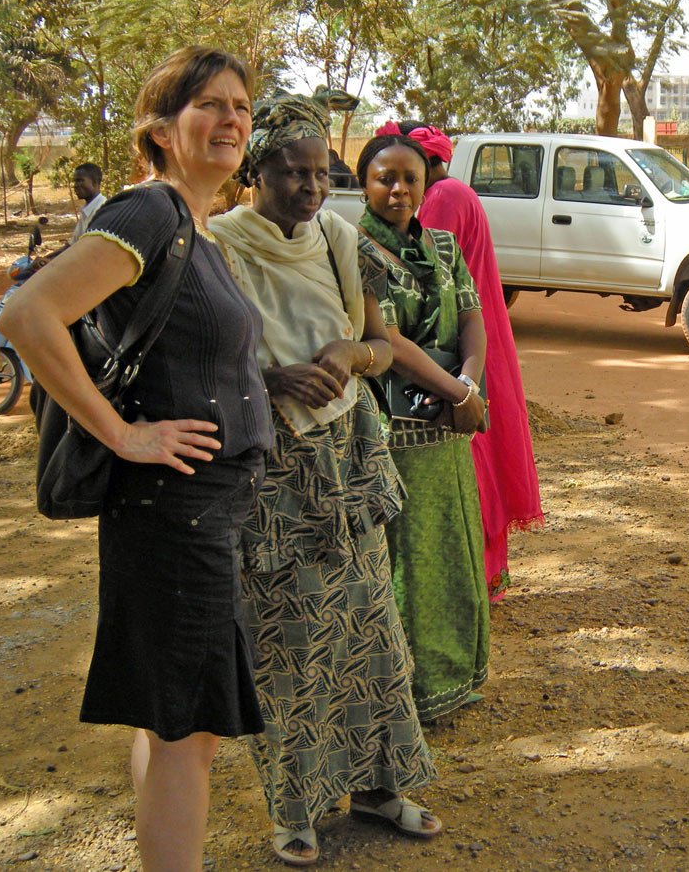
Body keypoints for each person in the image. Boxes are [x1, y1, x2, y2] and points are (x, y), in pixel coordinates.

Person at [0, 46, 274, 872]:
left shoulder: (193, 227)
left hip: (194, 513)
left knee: (171, 723)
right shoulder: (150, 214)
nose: (231, 119)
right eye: (208, 105)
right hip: (173, 513)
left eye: (241, 107)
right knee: (188, 732)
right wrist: (123, 435)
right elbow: (28, 313)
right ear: (159, 130)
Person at [207, 93, 440, 865]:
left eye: (319, 175)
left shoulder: (338, 239)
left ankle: (380, 788)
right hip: (272, 467)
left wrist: (348, 357)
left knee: (372, 627)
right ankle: (294, 808)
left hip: (346, 455)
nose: (310, 189)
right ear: (255, 170)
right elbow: (206, 360)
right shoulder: (218, 246)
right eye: (292, 173)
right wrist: (270, 377)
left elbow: (378, 343)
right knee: (287, 640)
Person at [355, 132, 490, 722]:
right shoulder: (353, 247)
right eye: (386, 177)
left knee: (449, 551)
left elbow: (471, 316)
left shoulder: (442, 243)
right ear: (365, 183)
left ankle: (454, 677)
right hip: (393, 431)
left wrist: (471, 385)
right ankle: (406, 691)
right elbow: (386, 339)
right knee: (402, 560)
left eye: (411, 178)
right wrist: (458, 390)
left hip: (446, 427)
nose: (399, 189)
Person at [376, 121, 542, 600]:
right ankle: (484, 574)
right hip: (470, 336)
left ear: (424, 166)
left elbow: (428, 277)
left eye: (407, 176)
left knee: (469, 455)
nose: (401, 189)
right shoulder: (458, 191)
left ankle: (472, 575)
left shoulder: (446, 197)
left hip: (452, 342)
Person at [70, 162, 107, 242]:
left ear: (95, 182)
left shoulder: (101, 209)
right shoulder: (87, 209)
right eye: (75, 181)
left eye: (80, 181)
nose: (75, 185)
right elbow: (72, 244)